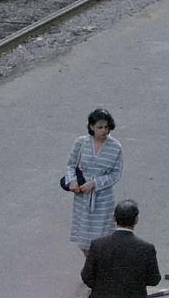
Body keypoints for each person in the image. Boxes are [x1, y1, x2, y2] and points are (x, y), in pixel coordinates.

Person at [66, 108, 125, 251]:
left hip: (103, 199)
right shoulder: (81, 142)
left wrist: (94, 183)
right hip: (83, 198)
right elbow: (70, 165)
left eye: (106, 127)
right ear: (92, 127)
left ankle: (98, 269)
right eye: (99, 127)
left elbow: (115, 174)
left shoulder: (115, 147)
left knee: (103, 240)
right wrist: (72, 181)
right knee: (85, 241)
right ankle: (90, 267)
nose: (103, 131)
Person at [80, 199, 160, 298]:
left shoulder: (98, 245)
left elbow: (87, 276)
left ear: (114, 218)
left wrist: (102, 287)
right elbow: (154, 279)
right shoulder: (146, 248)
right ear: (136, 220)